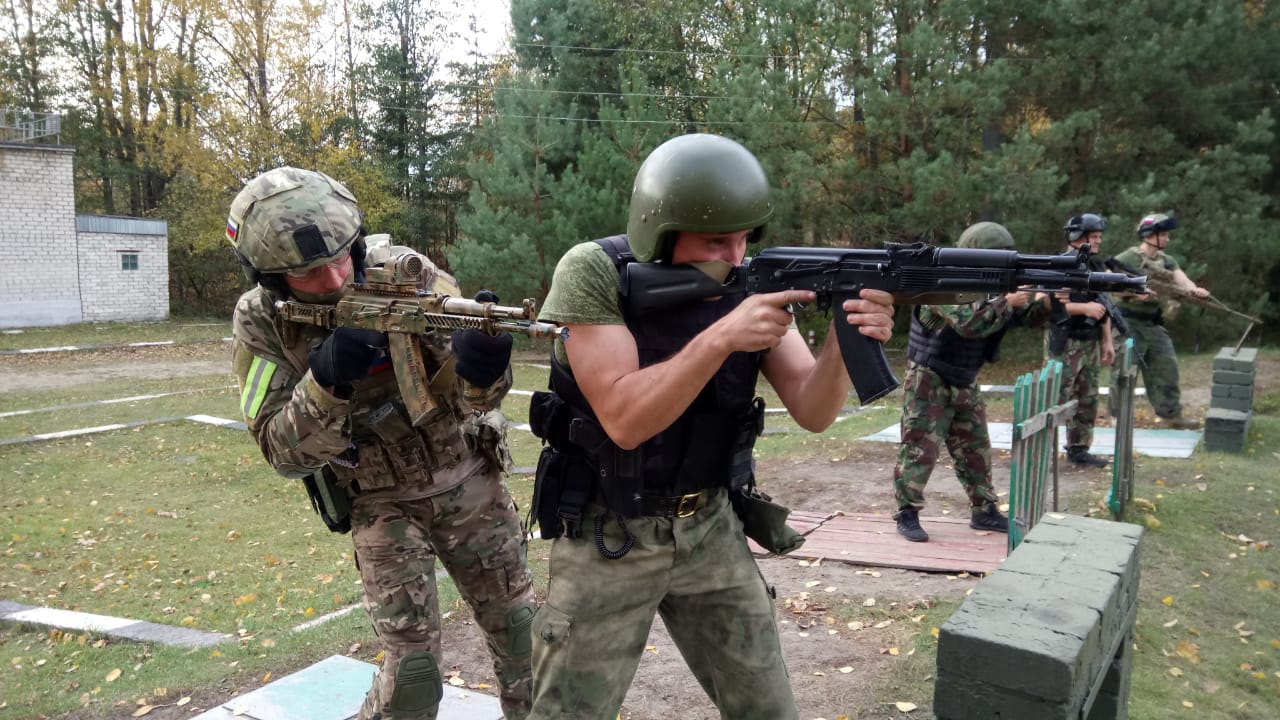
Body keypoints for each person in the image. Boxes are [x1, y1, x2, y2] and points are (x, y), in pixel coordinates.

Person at [524, 133, 896, 719]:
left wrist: (846, 340)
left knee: (768, 710)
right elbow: (623, 420)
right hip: (608, 535)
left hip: (711, 530)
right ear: (659, 230)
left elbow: (813, 409)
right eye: (715, 240)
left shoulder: (752, 282)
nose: (734, 254)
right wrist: (722, 336)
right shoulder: (593, 273)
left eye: (745, 237)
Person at [226, 167, 536, 720]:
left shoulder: (406, 274)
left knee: (526, 641)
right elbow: (281, 452)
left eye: (343, 257)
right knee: (413, 679)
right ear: (271, 279)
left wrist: (485, 369)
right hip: (381, 501)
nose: (334, 278)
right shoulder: (261, 321)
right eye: (310, 273)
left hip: (470, 480)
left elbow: (475, 397)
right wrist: (325, 384)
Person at [892, 222, 1048, 543]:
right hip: (928, 377)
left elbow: (1027, 318)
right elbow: (968, 323)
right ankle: (907, 512)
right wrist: (1009, 301)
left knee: (976, 449)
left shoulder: (992, 288)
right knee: (919, 448)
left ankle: (984, 510)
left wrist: (1045, 298)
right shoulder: (940, 280)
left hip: (965, 378)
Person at [1109, 213, 1208, 429]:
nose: (1167, 239)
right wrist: (1134, 294)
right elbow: (1108, 284)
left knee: (1167, 368)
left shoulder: (1167, 260)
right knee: (1124, 372)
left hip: (1153, 324)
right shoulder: (1128, 257)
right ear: (1148, 235)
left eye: (1166, 234)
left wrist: (1194, 290)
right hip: (1127, 324)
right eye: (1162, 234)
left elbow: (1180, 279)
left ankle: (1170, 415)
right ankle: (1119, 418)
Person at [1044, 214, 1115, 468]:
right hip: (1065, 341)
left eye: (1098, 237)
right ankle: (1042, 450)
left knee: (1088, 397)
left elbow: (1105, 305)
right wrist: (1084, 308)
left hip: (1090, 341)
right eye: (1094, 237)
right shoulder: (1060, 263)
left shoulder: (1096, 267)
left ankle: (1079, 448)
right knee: (1056, 395)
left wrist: (1107, 341)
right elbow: (1050, 304)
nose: (1098, 242)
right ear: (1079, 238)